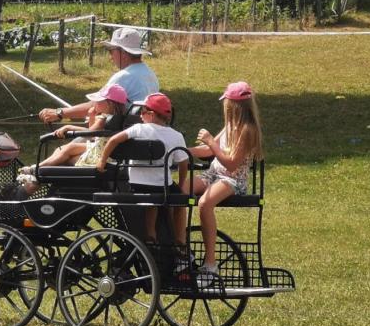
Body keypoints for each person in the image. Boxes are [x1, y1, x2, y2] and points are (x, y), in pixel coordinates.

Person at [185, 81, 264, 287]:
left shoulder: (247, 130)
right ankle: (177, 248)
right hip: (213, 173)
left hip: (232, 179)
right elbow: (209, 152)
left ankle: (210, 264)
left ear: (233, 106)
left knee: (204, 203)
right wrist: (183, 150)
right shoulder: (230, 126)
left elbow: (231, 164)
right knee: (179, 191)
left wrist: (211, 141)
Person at [94, 92, 190, 251]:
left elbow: (113, 140)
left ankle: (151, 235)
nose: (140, 116)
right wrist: (180, 185)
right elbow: (184, 163)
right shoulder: (176, 136)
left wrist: (102, 161)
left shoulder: (138, 129)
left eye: (142, 112)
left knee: (151, 204)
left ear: (151, 114)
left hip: (137, 185)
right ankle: (180, 241)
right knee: (181, 203)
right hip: (162, 188)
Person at [17, 84, 127, 192]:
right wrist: (92, 116)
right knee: (69, 148)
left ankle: (35, 170)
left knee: (67, 153)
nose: (94, 103)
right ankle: (35, 170)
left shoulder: (104, 118)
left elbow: (90, 134)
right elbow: (93, 134)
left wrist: (69, 127)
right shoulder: (119, 117)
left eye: (98, 101)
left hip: (100, 153)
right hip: (103, 149)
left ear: (109, 104)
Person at [38, 27, 159, 125]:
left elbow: (96, 105)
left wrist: (59, 113)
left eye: (111, 51)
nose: (110, 56)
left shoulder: (123, 76)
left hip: (120, 137)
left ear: (123, 52)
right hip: (140, 131)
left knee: (61, 152)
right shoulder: (151, 74)